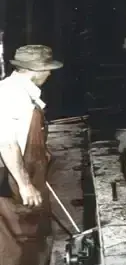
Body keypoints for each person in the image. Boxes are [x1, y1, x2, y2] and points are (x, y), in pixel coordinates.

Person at [0, 45, 63, 265]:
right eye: (47, 69)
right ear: (35, 70)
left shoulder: (24, 92)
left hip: (27, 174)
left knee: (36, 237)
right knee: (16, 243)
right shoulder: (11, 94)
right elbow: (7, 143)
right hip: (11, 180)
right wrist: (25, 184)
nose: (50, 73)